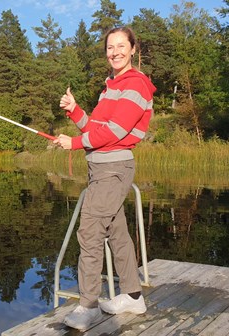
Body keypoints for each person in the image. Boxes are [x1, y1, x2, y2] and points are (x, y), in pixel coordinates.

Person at [53, 26, 156, 332]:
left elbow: (116, 132)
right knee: (116, 232)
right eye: (110, 47)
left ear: (133, 49)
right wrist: (75, 112)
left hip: (113, 169)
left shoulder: (135, 84)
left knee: (90, 232)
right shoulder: (111, 86)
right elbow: (94, 129)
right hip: (99, 168)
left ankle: (88, 307)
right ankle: (134, 296)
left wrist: (72, 144)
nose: (115, 52)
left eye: (121, 46)